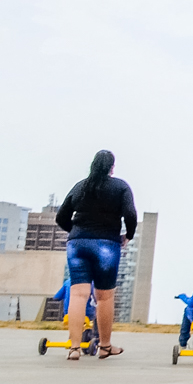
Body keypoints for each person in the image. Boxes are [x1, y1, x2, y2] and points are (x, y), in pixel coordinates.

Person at [56, 150, 137, 361]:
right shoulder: (120, 187)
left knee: (77, 295)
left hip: (78, 244)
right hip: (106, 245)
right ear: (112, 167)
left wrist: (76, 232)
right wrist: (127, 235)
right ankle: (105, 346)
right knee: (104, 296)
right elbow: (130, 213)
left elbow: (61, 216)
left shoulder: (80, 186)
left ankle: (74, 348)